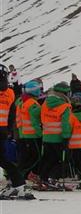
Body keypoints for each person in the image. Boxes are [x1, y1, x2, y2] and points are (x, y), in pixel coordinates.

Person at [39, 82, 72, 189]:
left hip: (47, 136)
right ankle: (52, 178)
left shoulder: (45, 103)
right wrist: (66, 137)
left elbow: (42, 118)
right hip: (58, 138)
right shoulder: (65, 106)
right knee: (63, 160)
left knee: (48, 159)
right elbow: (65, 123)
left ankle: (43, 178)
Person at [0, 69, 26, 197]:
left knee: (2, 159)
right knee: (2, 159)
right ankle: (18, 183)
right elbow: (12, 114)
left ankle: (18, 183)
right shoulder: (10, 93)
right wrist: (8, 129)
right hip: (2, 130)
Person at [16, 80, 43, 181]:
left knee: (27, 157)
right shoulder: (32, 104)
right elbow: (34, 121)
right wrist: (40, 133)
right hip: (33, 135)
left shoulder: (21, 102)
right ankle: (22, 174)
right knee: (36, 157)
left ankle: (21, 175)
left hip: (24, 134)